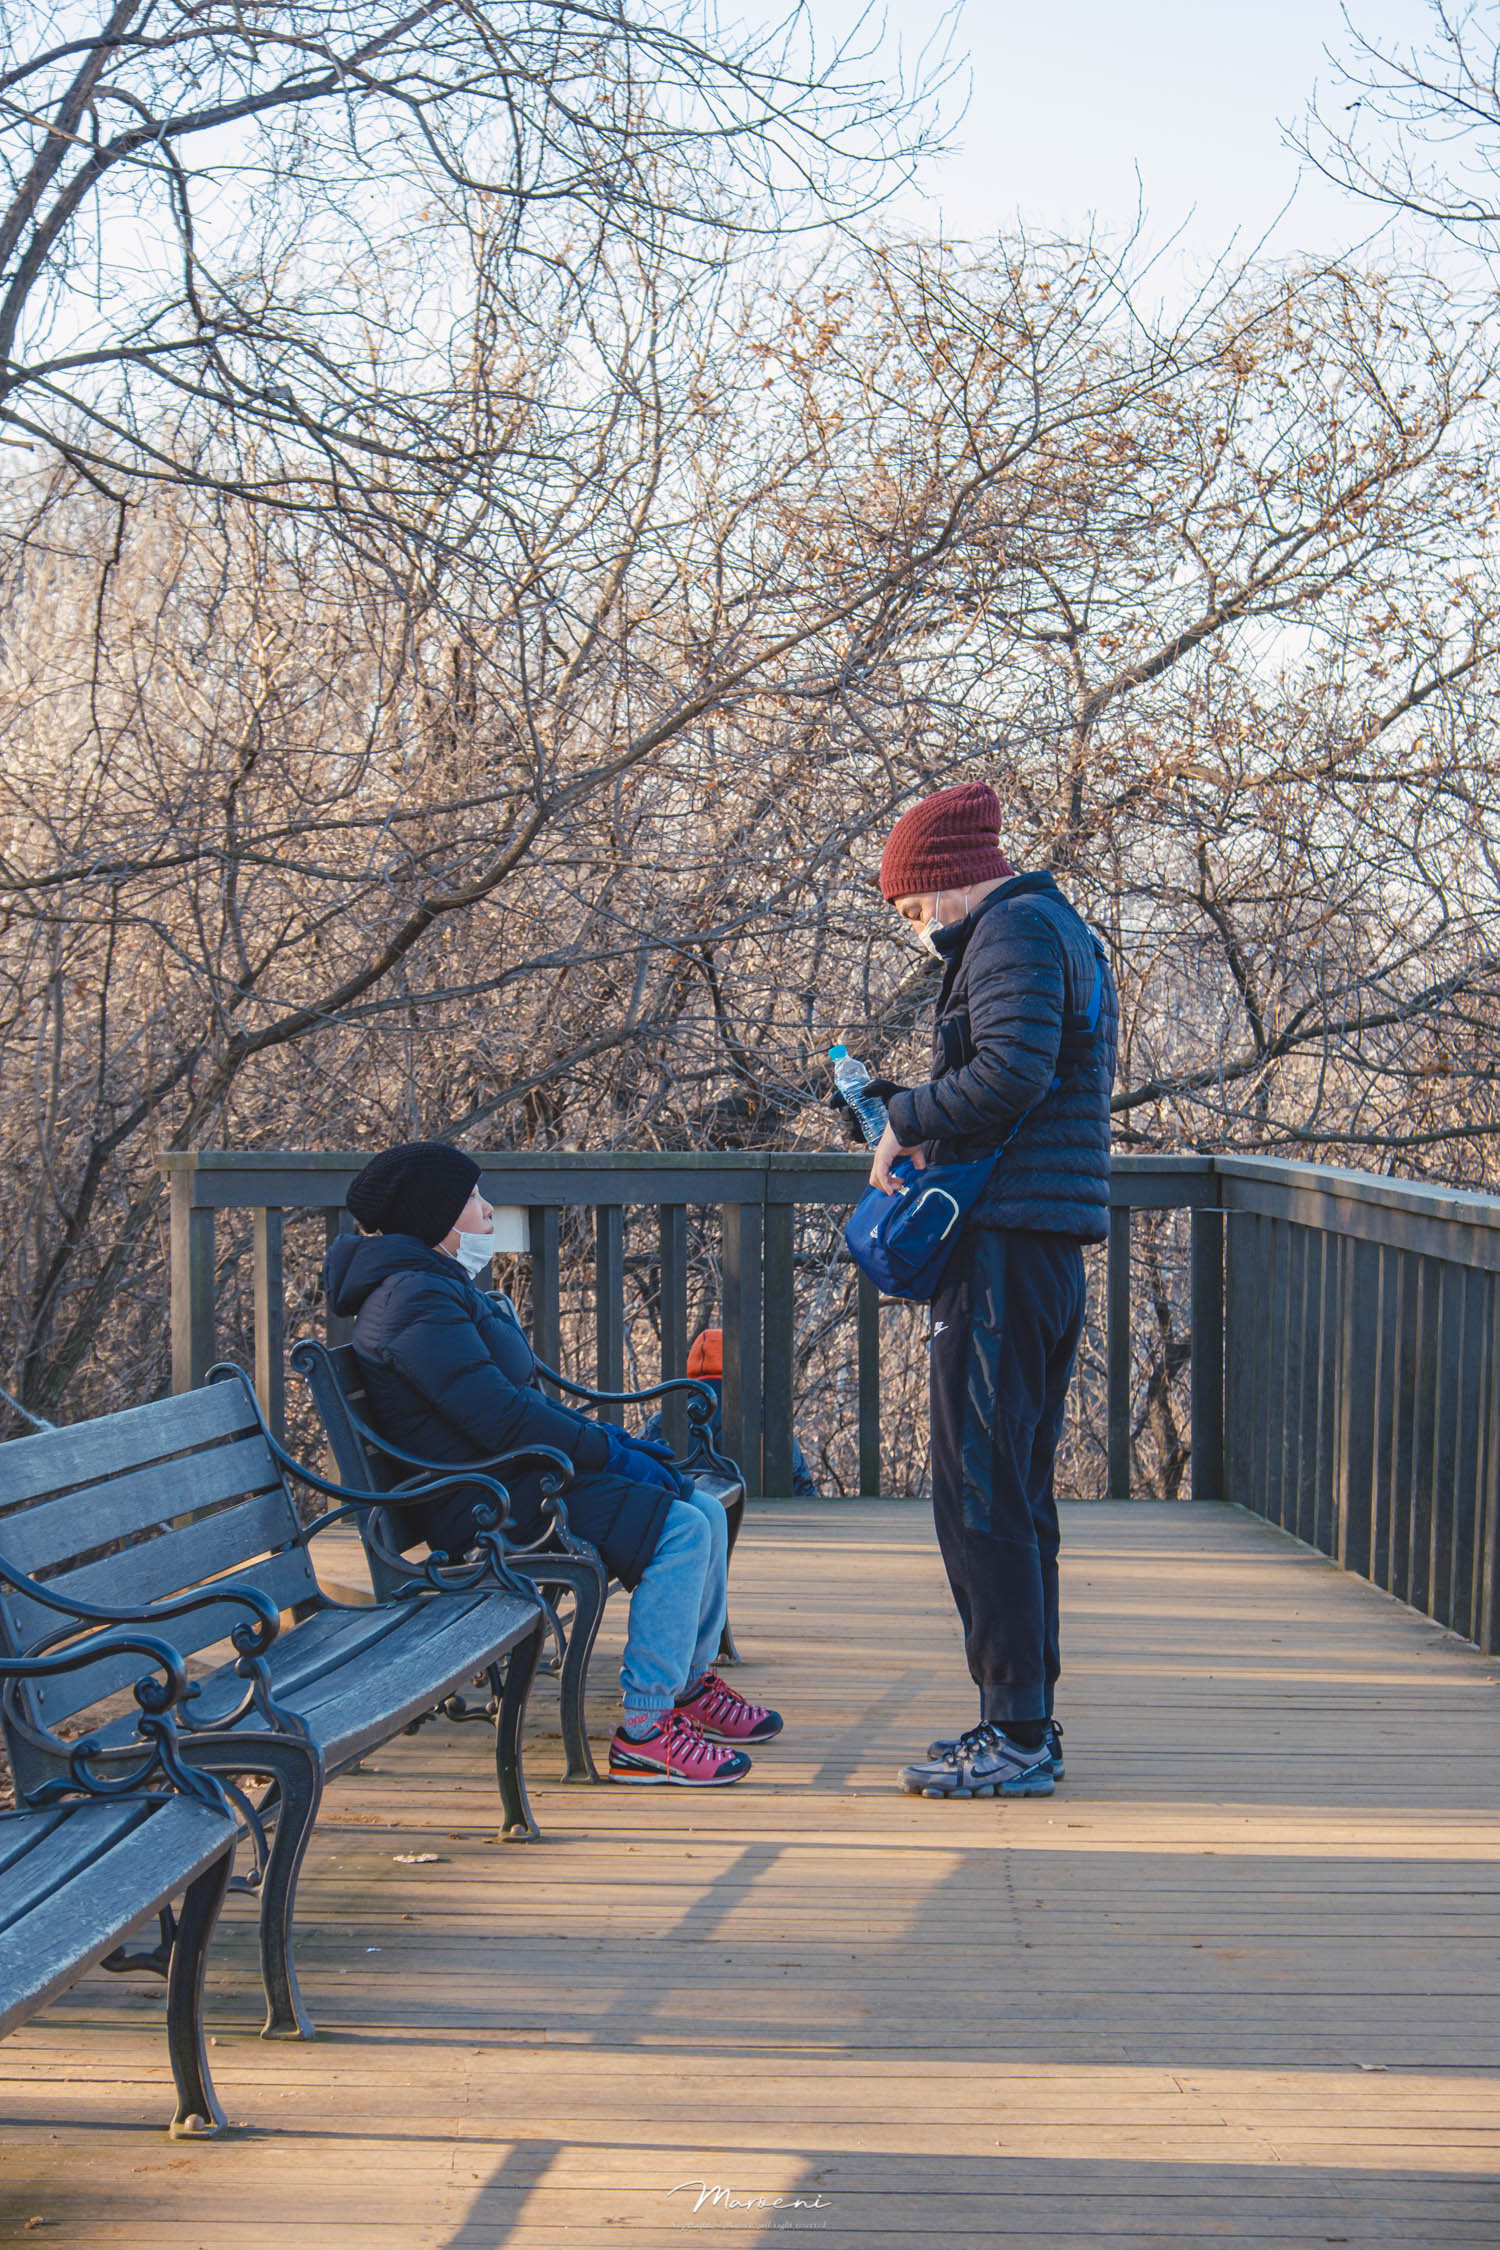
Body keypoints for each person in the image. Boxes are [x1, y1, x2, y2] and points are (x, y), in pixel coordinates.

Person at [322, 1141, 783, 1786]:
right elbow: (503, 1417)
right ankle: (646, 1732)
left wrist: (613, 1448)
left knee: (699, 1506)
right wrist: (609, 1449)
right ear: (437, 1217)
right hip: (484, 1504)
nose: (487, 1211)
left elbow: (508, 1407)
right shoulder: (413, 1302)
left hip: (515, 1477)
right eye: (473, 1199)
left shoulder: (432, 1286)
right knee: (679, 1531)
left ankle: (686, 1686)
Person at [851, 780, 1117, 1801]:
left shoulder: (1011, 934)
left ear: (957, 879)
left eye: (918, 910)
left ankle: (1014, 1735)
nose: (919, 930)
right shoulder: (1055, 928)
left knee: (980, 1490)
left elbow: (1012, 1072)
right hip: (1034, 1246)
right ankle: (1021, 1721)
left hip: (1006, 1248)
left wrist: (907, 1115)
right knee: (1013, 1489)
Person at [641, 1328, 823, 1498]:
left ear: (691, 1372)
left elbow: (640, 1479)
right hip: (765, 1522)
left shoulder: (662, 1421)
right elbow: (801, 1484)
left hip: (692, 1520)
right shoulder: (765, 1419)